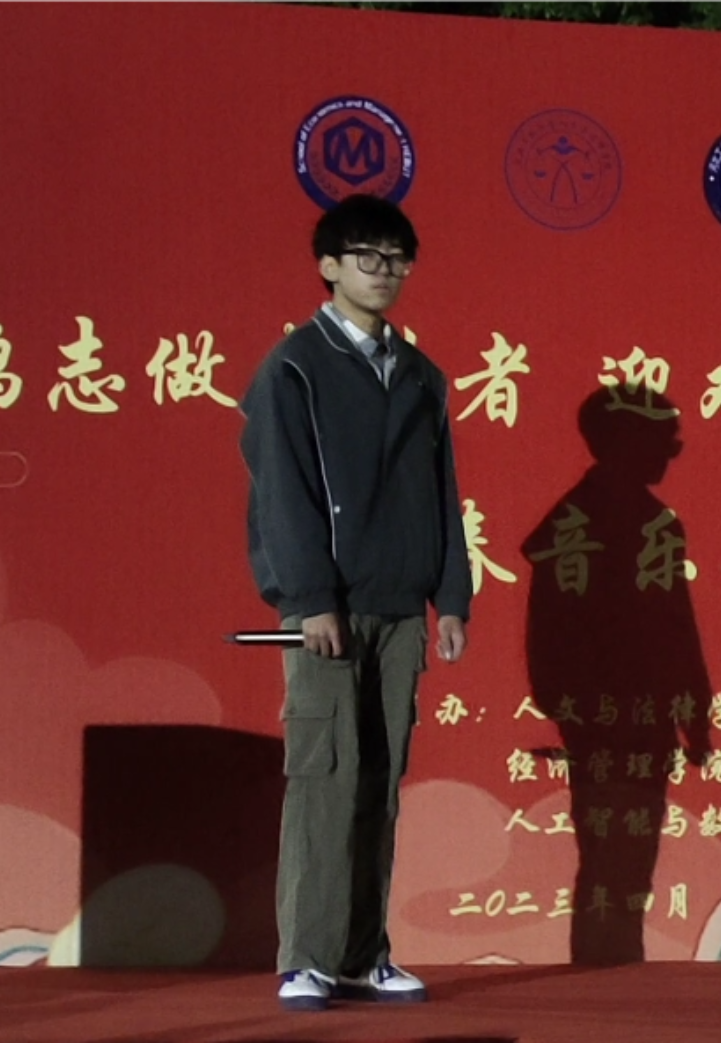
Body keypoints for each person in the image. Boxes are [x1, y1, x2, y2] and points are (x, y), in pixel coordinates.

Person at [239, 192, 472, 1012]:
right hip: (326, 610)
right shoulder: (294, 368)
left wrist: (451, 596)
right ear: (329, 266)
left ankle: (364, 956)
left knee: (379, 781)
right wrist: (310, 599)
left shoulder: (420, 376)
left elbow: (441, 493)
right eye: (367, 257)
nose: (384, 271)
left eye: (397, 258)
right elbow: (283, 494)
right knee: (324, 779)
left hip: (401, 609)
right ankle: (305, 958)